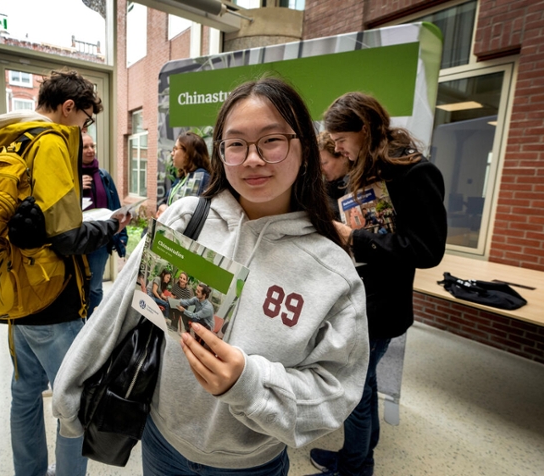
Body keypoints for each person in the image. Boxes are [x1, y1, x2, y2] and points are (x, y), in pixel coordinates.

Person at [53, 76, 370, 476]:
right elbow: (119, 314)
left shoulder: (332, 272)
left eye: (271, 140)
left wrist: (249, 382)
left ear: (304, 148)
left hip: (250, 463)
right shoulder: (188, 220)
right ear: (221, 153)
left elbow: (335, 391)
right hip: (161, 440)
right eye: (236, 144)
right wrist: (69, 394)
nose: (252, 159)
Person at [0, 69, 130, 476]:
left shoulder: (8, 136)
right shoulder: (51, 142)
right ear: (69, 107)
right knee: (71, 399)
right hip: (50, 295)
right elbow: (66, 236)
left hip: (11, 289)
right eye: (85, 119)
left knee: (24, 393)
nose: (83, 128)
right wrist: (111, 224)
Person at [308, 92, 448, 476]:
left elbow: (428, 249)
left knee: (356, 392)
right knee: (363, 388)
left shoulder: (416, 173)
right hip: (359, 301)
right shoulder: (367, 170)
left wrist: (355, 238)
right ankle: (357, 456)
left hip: (383, 307)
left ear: (364, 129)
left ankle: (356, 468)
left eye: (341, 142)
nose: (339, 150)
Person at [81, 132, 128, 317]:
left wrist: (121, 236)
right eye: (85, 147)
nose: (91, 150)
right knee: (76, 288)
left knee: (94, 287)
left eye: (92, 146)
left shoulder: (104, 176)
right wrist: (76, 187)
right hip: (77, 241)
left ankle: (93, 324)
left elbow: (115, 207)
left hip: (100, 241)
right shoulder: (69, 175)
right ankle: (79, 325)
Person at [166, 131, 212, 206]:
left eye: (176, 149)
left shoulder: (200, 176)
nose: (172, 153)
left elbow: (185, 210)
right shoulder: (182, 177)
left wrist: (166, 210)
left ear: (188, 153)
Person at [318, 131, 351, 219]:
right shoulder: (325, 192)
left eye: (324, 163)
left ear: (343, 156)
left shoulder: (366, 177)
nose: (321, 170)